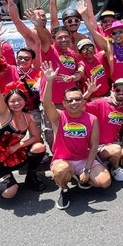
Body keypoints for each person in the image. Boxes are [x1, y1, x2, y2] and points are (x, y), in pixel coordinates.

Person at [42, 62, 111, 210]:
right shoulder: (58, 117)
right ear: (64, 103)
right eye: (70, 100)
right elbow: (47, 103)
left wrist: (86, 170)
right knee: (61, 171)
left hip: (83, 160)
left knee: (105, 182)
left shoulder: (92, 119)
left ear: (83, 100)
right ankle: (64, 188)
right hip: (63, 160)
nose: (74, 102)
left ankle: (81, 178)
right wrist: (49, 81)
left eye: (77, 99)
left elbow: (93, 147)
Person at [0, 82, 47, 197]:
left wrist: (17, 146)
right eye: (12, 101)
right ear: (6, 103)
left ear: (24, 101)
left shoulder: (28, 117)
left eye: (19, 100)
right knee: (9, 193)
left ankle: (31, 177)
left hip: (13, 155)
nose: (16, 103)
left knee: (39, 147)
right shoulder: (4, 114)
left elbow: (36, 137)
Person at [83, 77, 123, 183]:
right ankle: (115, 169)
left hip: (115, 144)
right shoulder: (100, 103)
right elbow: (79, 107)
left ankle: (110, 163)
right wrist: (88, 92)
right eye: (118, 90)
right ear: (112, 89)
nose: (121, 92)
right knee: (116, 150)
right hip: (99, 147)